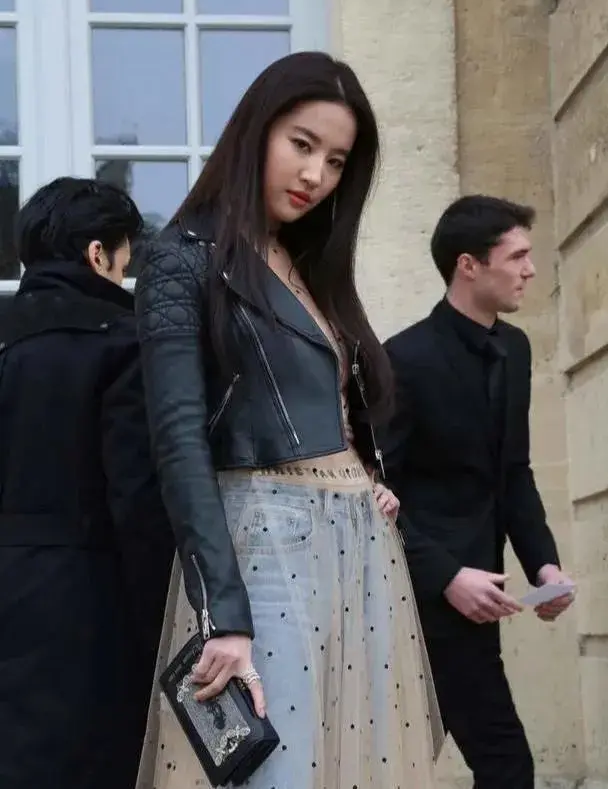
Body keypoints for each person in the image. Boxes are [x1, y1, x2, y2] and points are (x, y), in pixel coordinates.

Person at [134, 51, 444, 789]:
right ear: (256, 132)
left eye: (336, 161)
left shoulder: (308, 265)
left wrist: (366, 476)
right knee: (281, 771)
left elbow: (336, 403)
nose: (315, 175)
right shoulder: (182, 258)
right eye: (301, 144)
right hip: (266, 542)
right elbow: (179, 439)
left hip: (360, 545)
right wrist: (223, 612)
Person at [382, 195, 574, 789]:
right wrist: (447, 576)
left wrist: (544, 565)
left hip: (479, 597)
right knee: (505, 764)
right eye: (516, 257)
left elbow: (513, 471)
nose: (530, 270)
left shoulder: (515, 349)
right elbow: (372, 494)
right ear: (468, 265)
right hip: (417, 599)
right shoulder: (402, 359)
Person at [0, 177, 174, 789]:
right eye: (125, 260)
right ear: (98, 255)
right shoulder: (124, 346)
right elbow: (138, 502)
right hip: (86, 609)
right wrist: (168, 625)